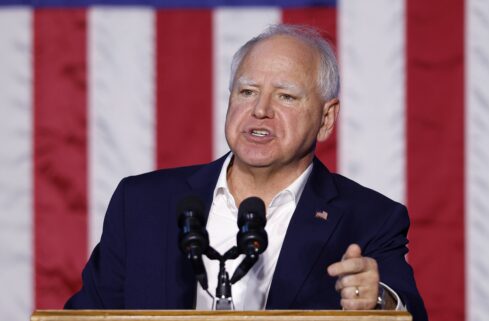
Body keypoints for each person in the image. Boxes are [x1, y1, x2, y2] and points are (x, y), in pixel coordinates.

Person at [65, 24, 427, 321]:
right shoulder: (143, 202)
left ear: (327, 118)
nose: (260, 110)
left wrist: (380, 303)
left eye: (286, 96)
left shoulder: (370, 218)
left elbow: (408, 311)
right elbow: (89, 314)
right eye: (247, 91)